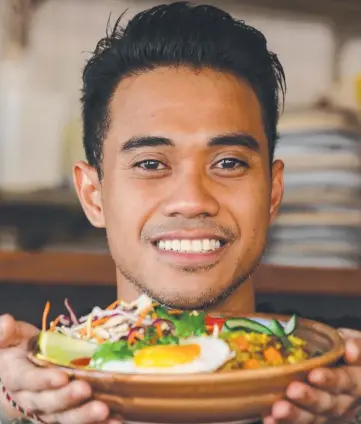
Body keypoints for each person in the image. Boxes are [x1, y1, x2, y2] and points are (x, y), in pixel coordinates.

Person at [1, 2, 361, 423]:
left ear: (273, 193)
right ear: (93, 195)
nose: (192, 200)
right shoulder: (33, 378)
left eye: (228, 163)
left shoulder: (333, 372)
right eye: (151, 164)